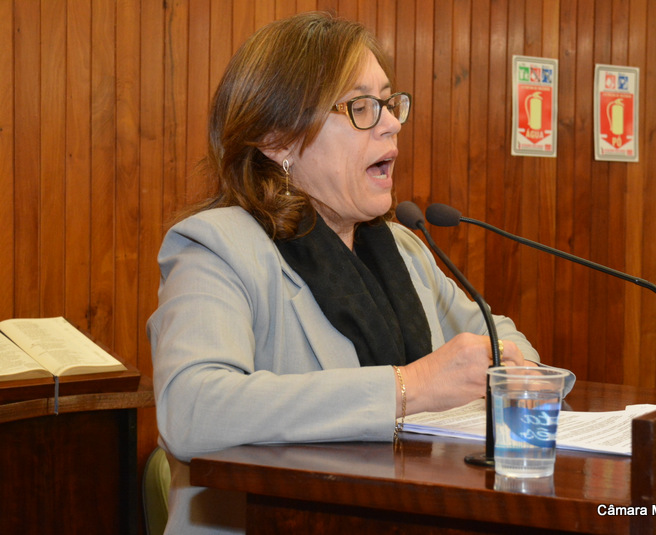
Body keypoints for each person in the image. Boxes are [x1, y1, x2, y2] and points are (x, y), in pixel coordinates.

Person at [147, 11, 573, 534]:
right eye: (361, 107)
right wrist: (410, 387)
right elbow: (192, 409)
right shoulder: (218, 247)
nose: (392, 123)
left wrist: (516, 373)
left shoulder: (401, 247)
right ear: (278, 139)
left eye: (390, 103)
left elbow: (495, 334)